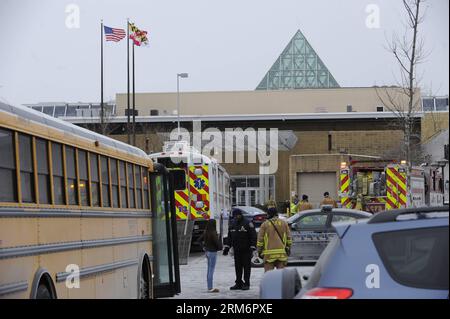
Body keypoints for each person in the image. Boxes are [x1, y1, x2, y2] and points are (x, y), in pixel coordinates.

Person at [223, 209, 257, 290]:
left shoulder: (248, 223)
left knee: (246, 268)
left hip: (246, 250)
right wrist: (227, 247)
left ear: (240, 215)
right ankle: (238, 283)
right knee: (238, 267)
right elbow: (230, 236)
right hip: (237, 250)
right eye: (234, 216)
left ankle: (246, 283)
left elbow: (253, 235)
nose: (236, 217)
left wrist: (252, 246)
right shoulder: (233, 223)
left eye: (237, 215)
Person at [257, 207, 292, 272]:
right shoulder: (284, 223)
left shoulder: (264, 224)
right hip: (281, 254)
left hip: (268, 255)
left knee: (269, 276)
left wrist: (259, 250)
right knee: (281, 276)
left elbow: (260, 240)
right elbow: (289, 238)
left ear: (269, 214)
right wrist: (288, 247)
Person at [200, 219, 222, 293]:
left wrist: (203, 246)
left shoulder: (206, 232)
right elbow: (216, 242)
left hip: (207, 252)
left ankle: (209, 286)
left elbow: (198, 240)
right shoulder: (213, 232)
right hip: (213, 252)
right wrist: (220, 248)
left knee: (209, 269)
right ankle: (210, 288)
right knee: (211, 270)